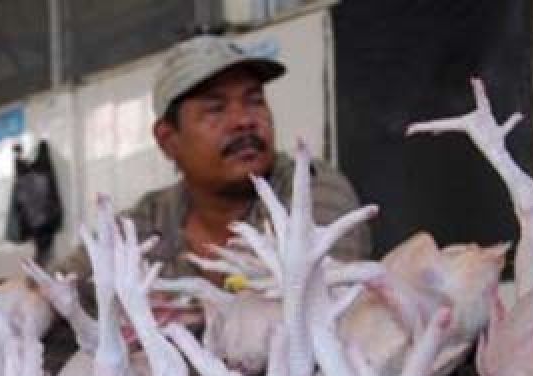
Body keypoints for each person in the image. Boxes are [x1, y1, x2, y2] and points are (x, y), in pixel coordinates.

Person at [55, 34, 370, 283]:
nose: (244, 120)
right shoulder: (148, 220)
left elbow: (312, 296)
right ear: (168, 140)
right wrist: (34, 297)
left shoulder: (312, 189)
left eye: (255, 101)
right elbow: (57, 286)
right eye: (215, 109)